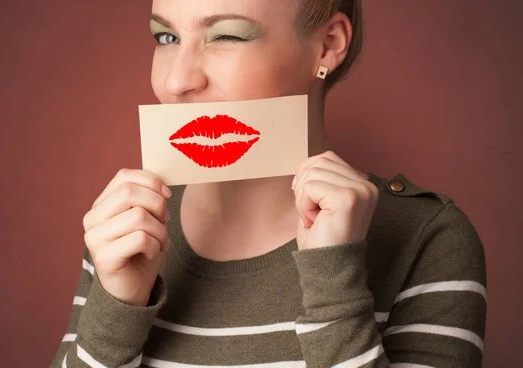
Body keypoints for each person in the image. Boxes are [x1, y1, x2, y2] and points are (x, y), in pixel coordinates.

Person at [50, 0, 487, 367]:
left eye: (227, 36)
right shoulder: (129, 228)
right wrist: (117, 307)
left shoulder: (428, 238)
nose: (176, 81)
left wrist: (334, 282)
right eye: (166, 38)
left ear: (328, 45)